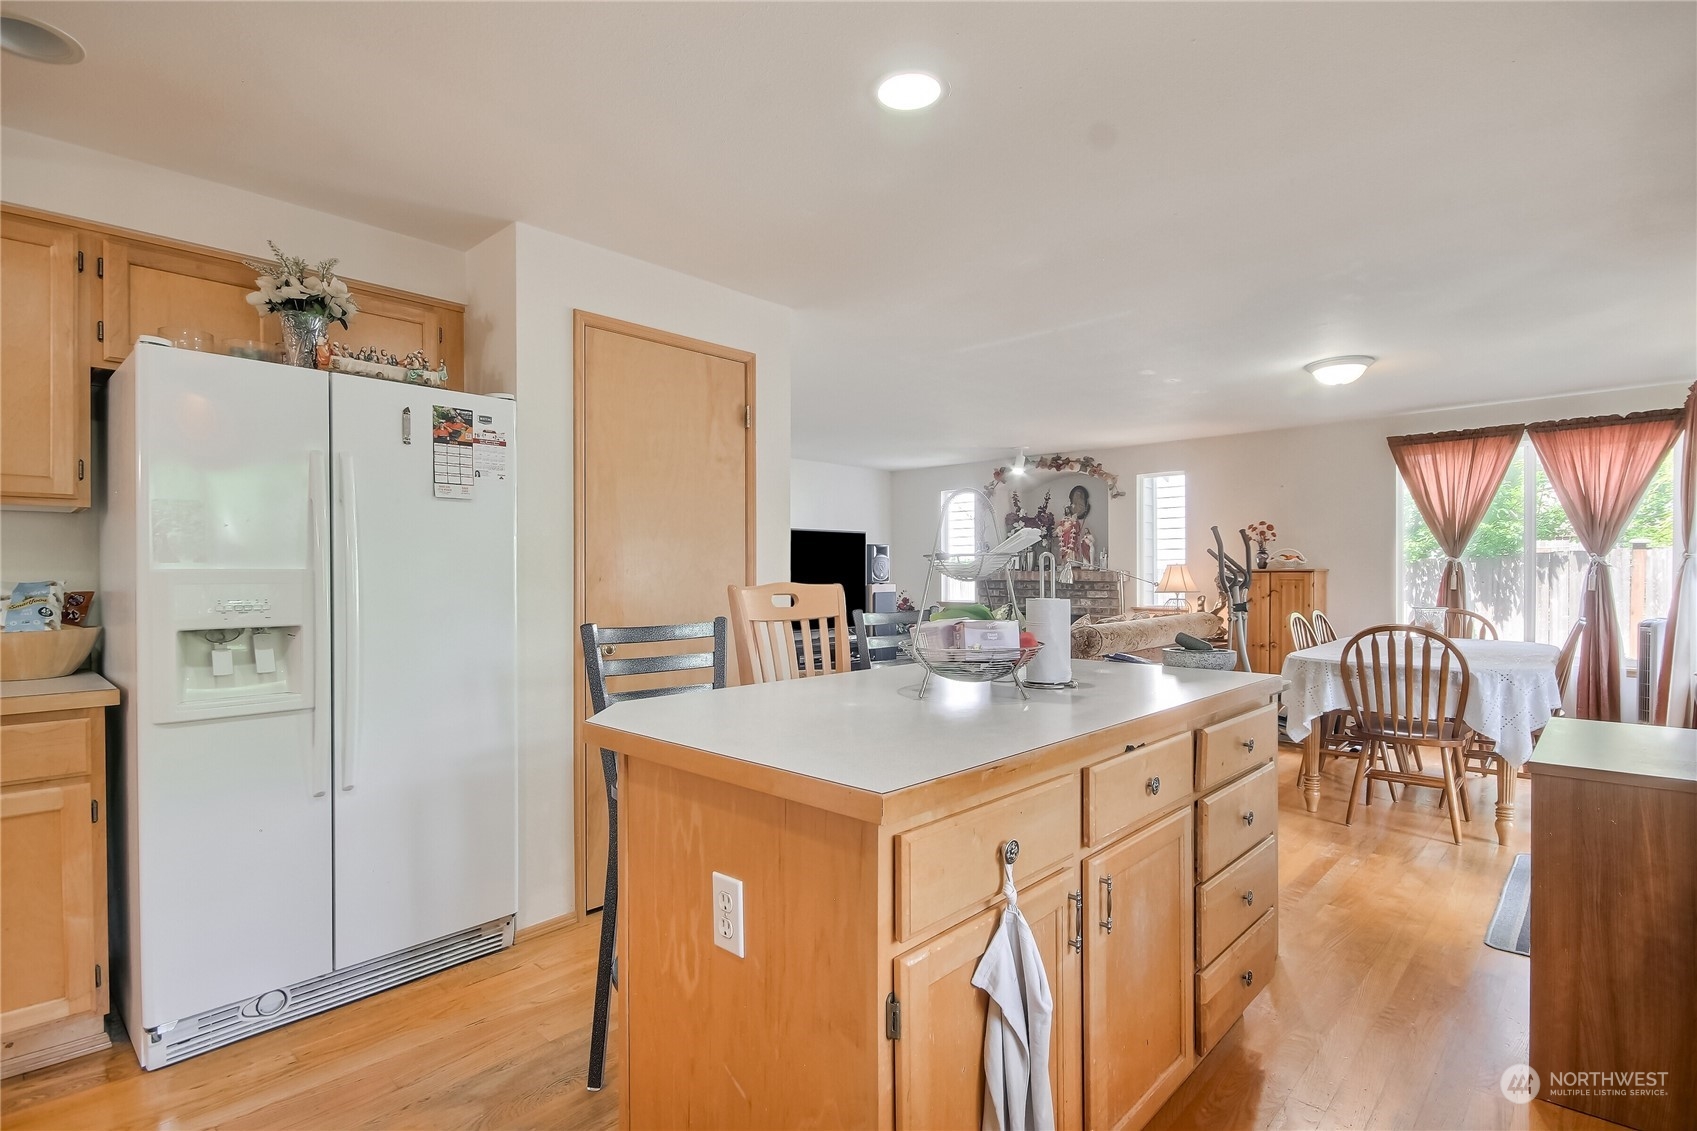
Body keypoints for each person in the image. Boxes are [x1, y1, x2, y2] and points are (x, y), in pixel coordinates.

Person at [1056, 485, 1096, 567]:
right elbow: (1060, 527)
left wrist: (1072, 524)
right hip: (1065, 538)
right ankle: (1065, 560)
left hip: (1071, 537)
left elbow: (1077, 529)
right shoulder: (1064, 520)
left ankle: (1073, 560)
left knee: (1072, 547)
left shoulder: (1074, 520)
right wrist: (1059, 529)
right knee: (1065, 547)